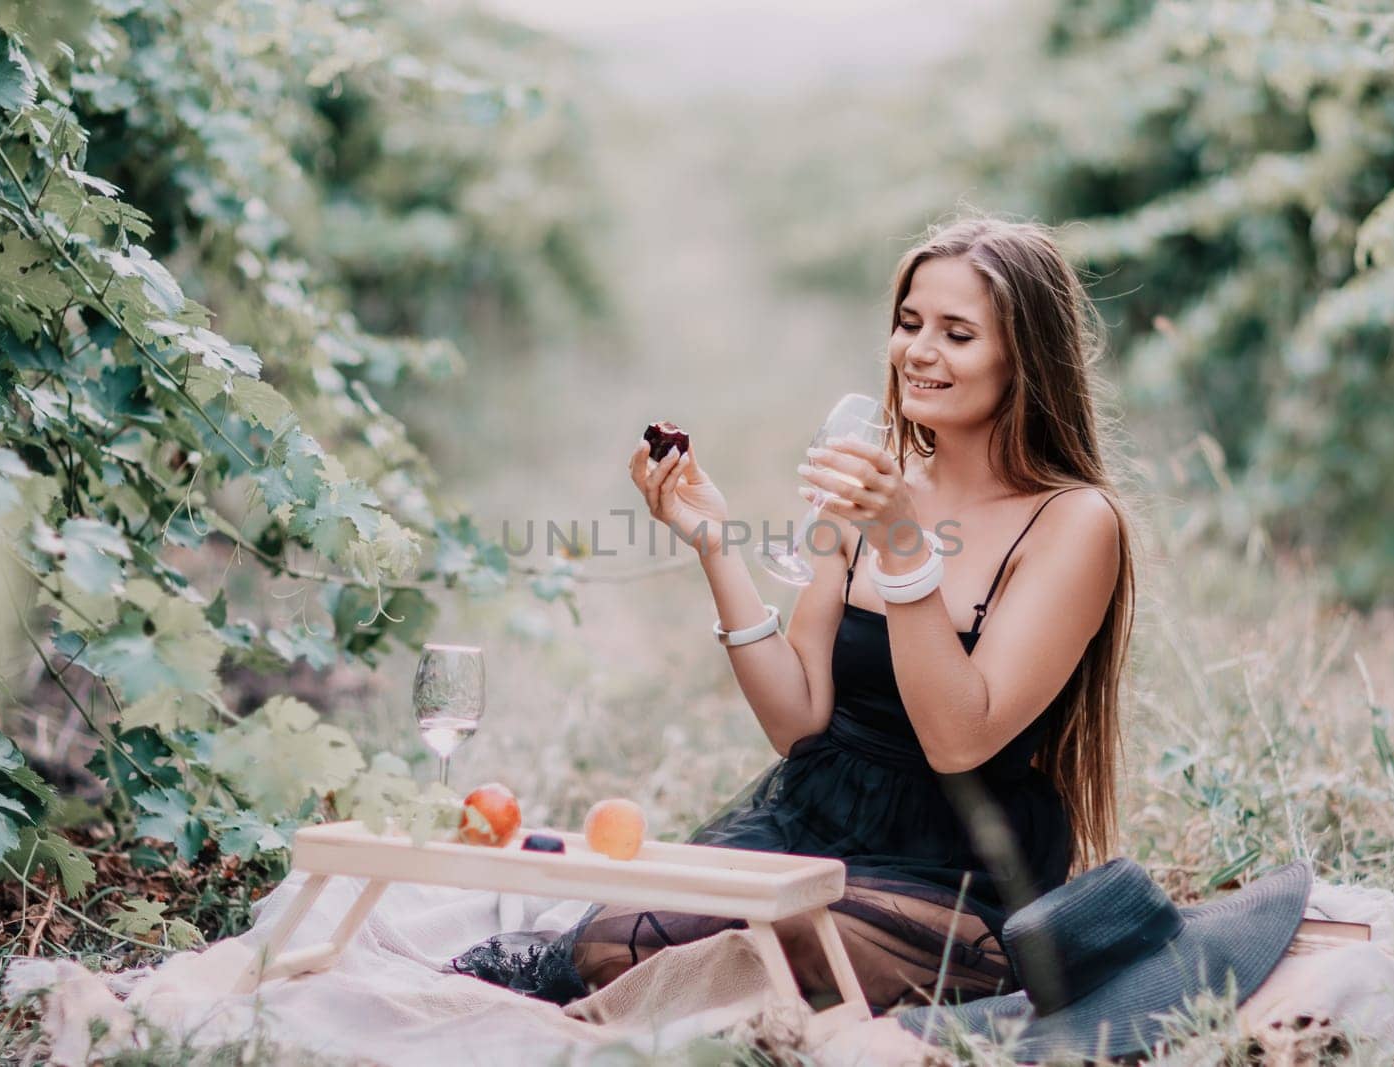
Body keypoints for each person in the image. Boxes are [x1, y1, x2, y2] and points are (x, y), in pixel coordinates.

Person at [453, 214, 1138, 1013]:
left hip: (957, 861)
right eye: (910, 324)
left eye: (958, 334)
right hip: (817, 818)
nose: (919, 351)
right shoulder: (874, 492)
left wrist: (905, 549)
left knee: (788, 945)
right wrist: (715, 545)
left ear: (1026, 360)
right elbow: (800, 724)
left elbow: (959, 739)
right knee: (616, 939)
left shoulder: (1074, 522)